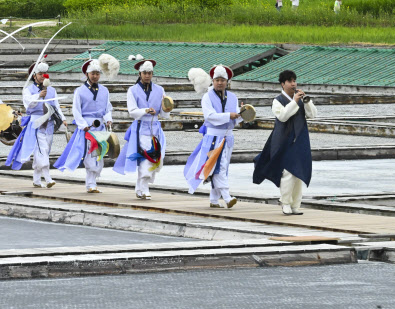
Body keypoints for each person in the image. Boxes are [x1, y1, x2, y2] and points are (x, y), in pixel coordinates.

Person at [253, 69, 317, 215]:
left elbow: (312, 115)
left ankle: (295, 205)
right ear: (283, 84)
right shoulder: (277, 101)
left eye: (294, 81)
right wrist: (294, 101)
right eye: (290, 81)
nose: (293, 84)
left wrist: (306, 102)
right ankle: (285, 202)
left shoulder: (299, 99)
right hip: (283, 141)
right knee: (288, 172)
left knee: (299, 173)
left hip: (300, 140)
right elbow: (283, 116)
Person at [54, 56, 117, 193]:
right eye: (93, 73)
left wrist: (108, 119)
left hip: (100, 126)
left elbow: (107, 108)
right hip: (88, 126)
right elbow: (76, 110)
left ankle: (93, 182)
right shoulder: (80, 91)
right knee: (90, 153)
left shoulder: (104, 90)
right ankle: (91, 183)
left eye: (97, 73)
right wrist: (83, 125)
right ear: (87, 74)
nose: (95, 76)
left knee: (98, 154)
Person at [183, 65, 242, 208]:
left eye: (222, 80)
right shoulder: (207, 97)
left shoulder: (232, 97)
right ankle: (227, 197)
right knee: (218, 167)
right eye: (217, 80)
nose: (220, 83)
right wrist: (229, 115)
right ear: (213, 81)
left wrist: (242, 113)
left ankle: (214, 200)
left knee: (222, 166)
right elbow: (209, 116)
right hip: (213, 137)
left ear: (227, 82)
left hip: (227, 137)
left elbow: (237, 118)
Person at [113, 56, 169, 200]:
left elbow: (163, 112)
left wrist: (166, 108)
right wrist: (144, 111)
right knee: (146, 157)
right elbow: (132, 111)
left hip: (155, 127)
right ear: (140, 74)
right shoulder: (132, 90)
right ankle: (145, 188)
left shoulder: (160, 89)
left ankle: (139, 188)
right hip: (141, 127)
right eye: (145, 73)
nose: (147, 75)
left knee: (155, 157)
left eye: (149, 73)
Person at [6, 60, 67, 188]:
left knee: (45, 150)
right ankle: (48, 178)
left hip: (49, 123)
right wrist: (38, 96)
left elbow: (56, 106)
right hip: (36, 122)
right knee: (41, 150)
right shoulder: (28, 90)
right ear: (34, 75)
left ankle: (37, 179)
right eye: (40, 74)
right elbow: (28, 105)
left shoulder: (52, 90)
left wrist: (63, 118)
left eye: (45, 73)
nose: (43, 76)